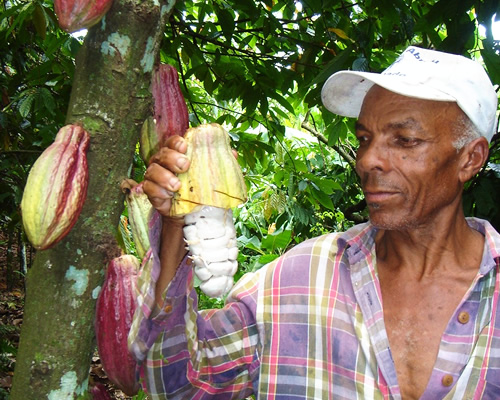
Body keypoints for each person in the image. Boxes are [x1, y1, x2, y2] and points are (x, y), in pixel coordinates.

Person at [128, 46, 500, 399]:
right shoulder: (296, 280)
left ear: (471, 159)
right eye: (365, 138)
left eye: (404, 140)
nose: (368, 159)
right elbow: (178, 384)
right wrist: (177, 221)